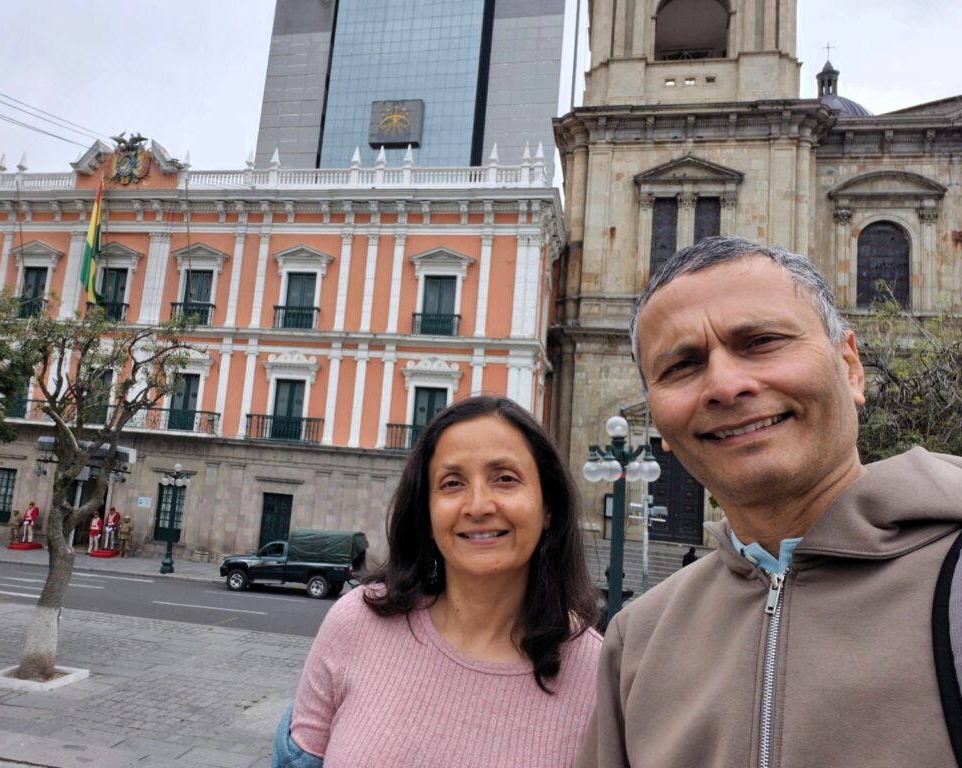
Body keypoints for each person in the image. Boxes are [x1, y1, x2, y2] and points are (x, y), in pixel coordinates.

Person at [577, 236, 962, 768]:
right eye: (681, 366)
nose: (725, 385)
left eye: (762, 341)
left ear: (850, 367)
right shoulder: (636, 640)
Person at [273, 396, 602, 768]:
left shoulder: (599, 675)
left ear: (548, 507)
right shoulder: (356, 622)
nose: (478, 506)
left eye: (505, 479)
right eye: (452, 483)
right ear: (426, 514)